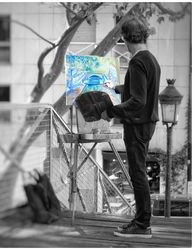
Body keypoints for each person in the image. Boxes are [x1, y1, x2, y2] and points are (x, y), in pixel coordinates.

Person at [100, 16, 161, 238]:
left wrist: (111, 112)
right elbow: (139, 90)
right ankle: (141, 222)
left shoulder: (136, 61)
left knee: (137, 174)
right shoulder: (150, 59)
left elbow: (138, 101)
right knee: (139, 172)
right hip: (147, 123)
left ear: (125, 39)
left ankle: (142, 225)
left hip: (137, 125)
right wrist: (117, 88)